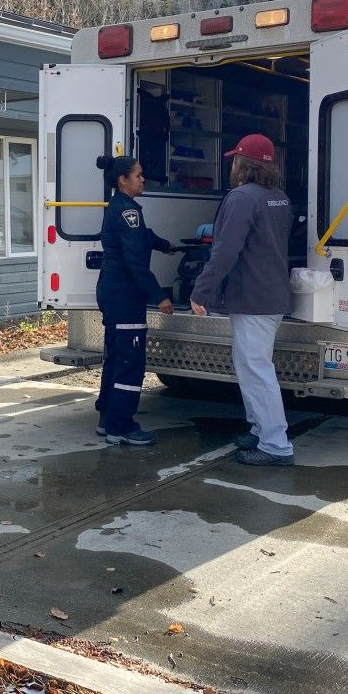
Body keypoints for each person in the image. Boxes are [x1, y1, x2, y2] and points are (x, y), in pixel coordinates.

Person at [189, 134, 295, 466]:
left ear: (242, 164)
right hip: (272, 294)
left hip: (252, 298)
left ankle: (276, 444)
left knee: (256, 369)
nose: (232, 165)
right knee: (251, 366)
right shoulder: (279, 197)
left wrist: (201, 290)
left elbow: (225, 251)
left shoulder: (241, 198)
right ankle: (260, 429)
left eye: (234, 160)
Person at [94, 154, 175, 446]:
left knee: (116, 358)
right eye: (139, 175)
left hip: (112, 292)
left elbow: (141, 238)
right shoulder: (129, 211)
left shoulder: (118, 207)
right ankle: (121, 427)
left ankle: (107, 419)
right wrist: (160, 296)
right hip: (125, 296)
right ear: (123, 180)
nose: (143, 179)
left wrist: (165, 245)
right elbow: (136, 262)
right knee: (130, 362)